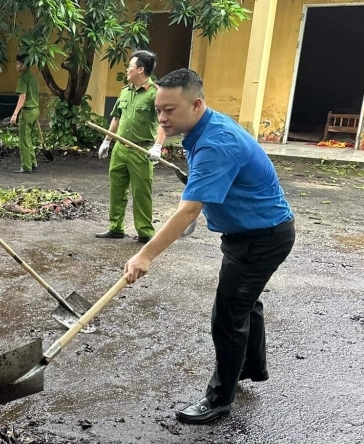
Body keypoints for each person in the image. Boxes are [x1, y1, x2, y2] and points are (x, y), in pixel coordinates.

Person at [123, 69, 295, 424]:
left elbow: (188, 211)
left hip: (260, 239)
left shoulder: (216, 143)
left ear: (196, 104)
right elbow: (221, 180)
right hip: (260, 232)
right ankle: (250, 368)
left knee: (228, 317)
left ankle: (219, 400)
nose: (162, 118)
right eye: (159, 109)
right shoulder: (209, 127)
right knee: (246, 303)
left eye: (170, 110)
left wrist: (145, 255)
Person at [96, 50, 166, 243]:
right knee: (117, 189)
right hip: (120, 148)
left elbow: (162, 122)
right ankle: (115, 227)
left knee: (141, 192)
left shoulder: (155, 93)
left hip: (141, 151)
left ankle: (145, 232)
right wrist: (107, 141)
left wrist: (158, 146)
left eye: (130, 66)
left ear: (141, 69)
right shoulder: (125, 91)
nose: (127, 70)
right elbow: (116, 117)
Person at [10, 53, 39, 174]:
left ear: (25, 64)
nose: (16, 66)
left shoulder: (23, 78)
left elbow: (22, 96)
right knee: (29, 138)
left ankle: (26, 166)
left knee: (23, 140)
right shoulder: (32, 77)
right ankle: (32, 162)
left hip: (27, 111)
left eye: (18, 63)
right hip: (35, 110)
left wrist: (15, 114)